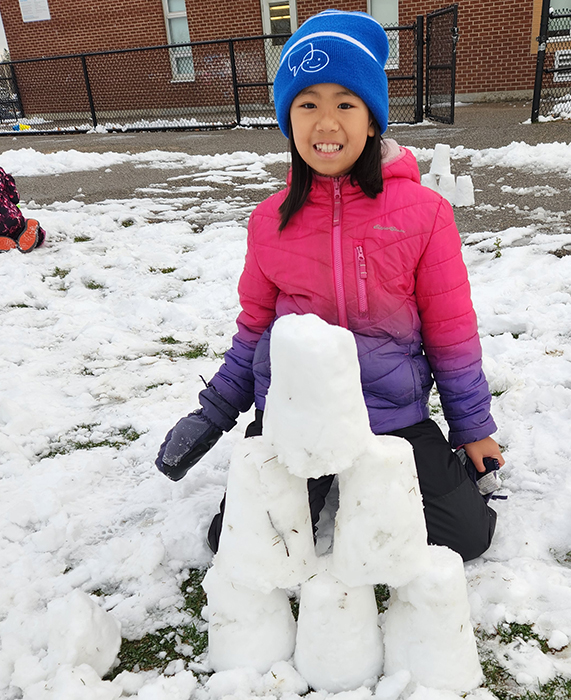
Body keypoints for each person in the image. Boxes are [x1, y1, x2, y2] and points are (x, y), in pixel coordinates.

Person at [156, 9, 505, 562]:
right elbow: (254, 330)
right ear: (287, 120)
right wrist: (212, 415)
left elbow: (451, 333)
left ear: (372, 120)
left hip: (390, 413)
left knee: (468, 538)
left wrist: (472, 429)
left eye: (345, 103)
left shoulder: (425, 214)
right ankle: (314, 484)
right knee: (240, 546)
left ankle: (429, 474)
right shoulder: (269, 220)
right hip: (297, 415)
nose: (326, 123)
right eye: (307, 104)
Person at [0, 167, 46, 253]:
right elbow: (14, 198)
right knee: (19, 228)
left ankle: (3, 242)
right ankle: (31, 229)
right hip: (11, 220)